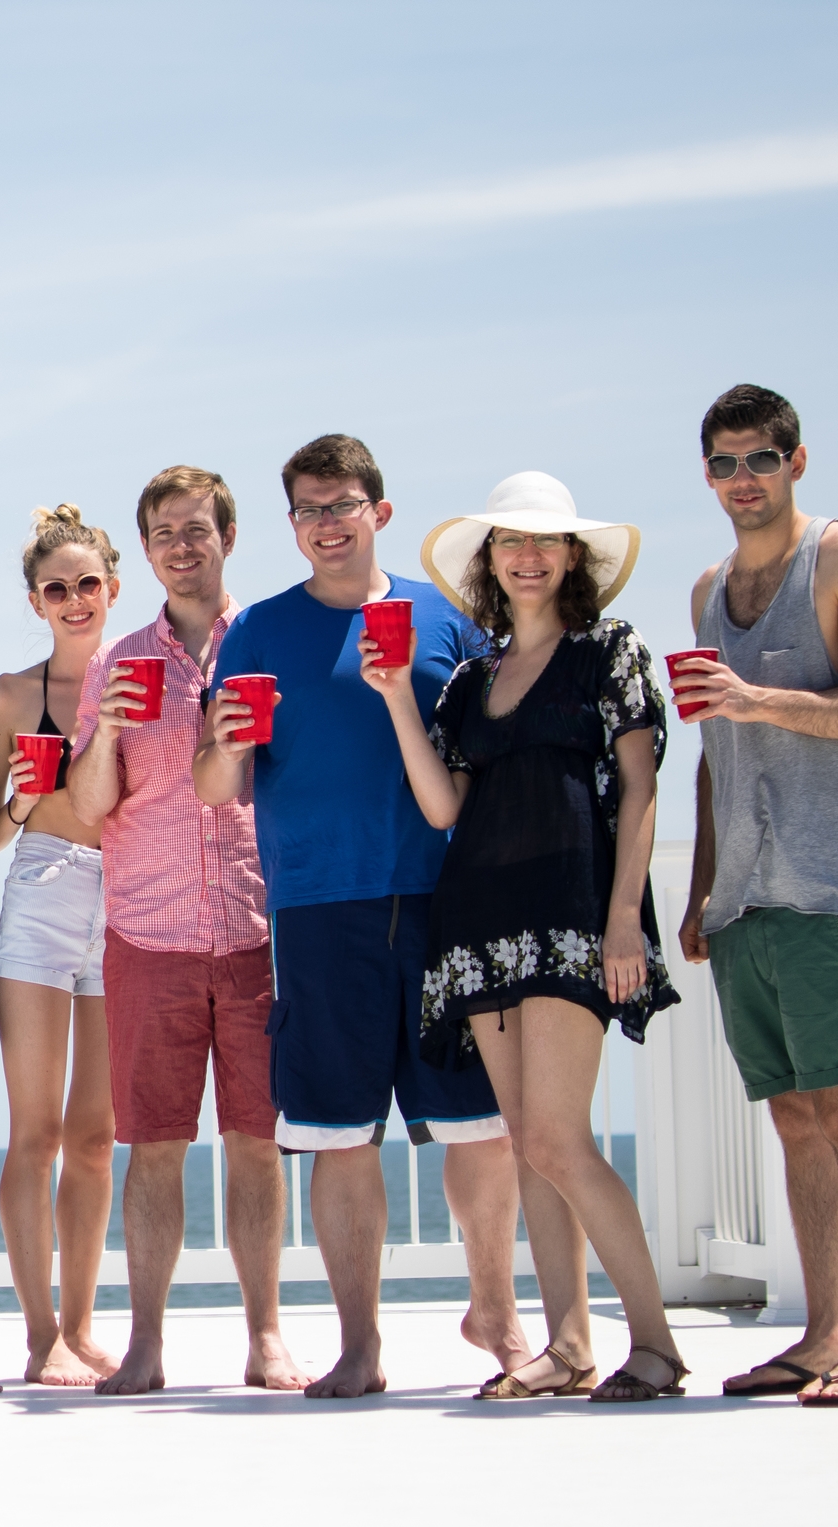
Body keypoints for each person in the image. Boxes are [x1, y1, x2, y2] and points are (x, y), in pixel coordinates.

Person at [195, 436, 542, 1401]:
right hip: (314, 906)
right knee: (341, 1133)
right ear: (292, 524)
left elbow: (489, 763)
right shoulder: (257, 630)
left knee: (478, 1125)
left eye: (342, 504)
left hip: (444, 897)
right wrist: (224, 741)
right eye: (308, 509)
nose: (326, 522)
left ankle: (497, 1312)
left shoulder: (452, 621)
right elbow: (216, 785)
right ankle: (360, 1345)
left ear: (379, 512)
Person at [381, 469, 688, 1401]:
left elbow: (639, 787)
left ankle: (658, 1346)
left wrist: (625, 916)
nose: (525, 555)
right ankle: (567, 1346)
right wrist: (396, 693)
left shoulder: (610, 651)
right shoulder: (470, 679)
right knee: (527, 1142)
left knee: (557, 1139)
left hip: (571, 919)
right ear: (489, 561)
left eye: (543, 541)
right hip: (481, 925)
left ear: (569, 558)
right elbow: (446, 806)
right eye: (509, 541)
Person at [673, 384, 838, 1407]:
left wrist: (756, 695)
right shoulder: (704, 591)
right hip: (742, 903)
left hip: (827, 885)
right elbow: (709, 754)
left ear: (795, 463)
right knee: (792, 1119)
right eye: (724, 464)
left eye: (759, 460)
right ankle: (820, 1337)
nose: (742, 480)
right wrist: (697, 890)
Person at [64, 470, 303, 1398]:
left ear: (229, 537)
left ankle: (267, 1337)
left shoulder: (272, 643)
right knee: (153, 1143)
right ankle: (147, 1346)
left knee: (255, 1138)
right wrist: (104, 730)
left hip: (255, 927)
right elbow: (88, 811)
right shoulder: (116, 662)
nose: (180, 544)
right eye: (162, 532)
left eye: (196, 528)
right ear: (148, 549)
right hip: (150, 933)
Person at [0, 505, 122, 1385]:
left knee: (97, 1135)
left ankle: (80, 1320)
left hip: (127, 899)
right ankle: (40, 1336)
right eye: (55, 588)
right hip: (39, 889)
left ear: (112, 588)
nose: (74, 600)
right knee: (35, 1131)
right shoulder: (7, 696)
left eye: (87, 584)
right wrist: (25, 800)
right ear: (36, 601)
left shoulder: (143, 677)